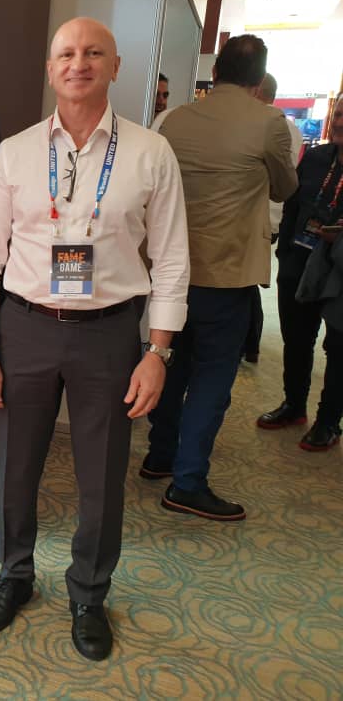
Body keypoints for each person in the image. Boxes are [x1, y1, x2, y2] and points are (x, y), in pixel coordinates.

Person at [0, 17, 189, 661]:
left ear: (115, 66)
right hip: (24, 327)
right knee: (16, 466)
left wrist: (158, 352)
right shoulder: (16, 152)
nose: (78, 63)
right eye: (66, 53)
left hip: (110, 334)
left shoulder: (150, 152)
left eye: (93, 53)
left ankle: (89, 592)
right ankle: (13, 574)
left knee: (102, 475)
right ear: (50, 68)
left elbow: (173, 260)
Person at [144, 35, 298, 520]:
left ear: (214, 72)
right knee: (212, 379)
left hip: (172, 271)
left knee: (169, 364)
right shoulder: (269, 122)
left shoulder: (174, 120)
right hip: (228, 275)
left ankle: (159, 455)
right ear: (259, 79)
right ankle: (188, 483)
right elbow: (285, 187)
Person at [257, 97, 343, 451]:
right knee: (296, 339)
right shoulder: (317, 157)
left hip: (339, 271)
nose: (340, 122)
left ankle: (328, 422)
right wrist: (286, 253)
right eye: (339, 114)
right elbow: (292, 202)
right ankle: (294, 406)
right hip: (300, 261)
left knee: (338, 348)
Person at [242, 72, 304, 363]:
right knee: (249, 281)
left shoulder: (262, 123)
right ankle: (251, 344)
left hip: (257, 215)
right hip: (275, 217)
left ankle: (249, 343)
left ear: (255, 91)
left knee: (244, 283)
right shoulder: (290, 128)